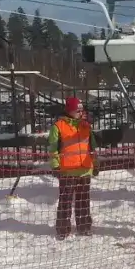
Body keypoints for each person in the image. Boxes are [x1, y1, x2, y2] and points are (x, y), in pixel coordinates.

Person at [47, 96, 97, 240]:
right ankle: (63, 228)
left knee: (84, 201)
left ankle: (84, 226)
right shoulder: (58, 126)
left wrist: (95, 162)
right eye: (78, 110)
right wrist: (55, 165)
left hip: (85, 168)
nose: (81, 112)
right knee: (66, 201)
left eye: (82, 109)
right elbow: (53, 148)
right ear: (70, 110)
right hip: (67, 170)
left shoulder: (85, 125)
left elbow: (91, 145)